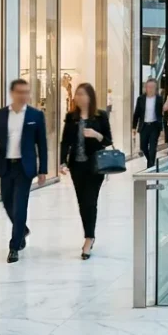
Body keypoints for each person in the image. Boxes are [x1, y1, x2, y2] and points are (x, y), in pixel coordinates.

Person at [0, 79, 48, 263]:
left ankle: (14, 246)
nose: (24, 95)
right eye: (20, 92)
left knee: (20, 206)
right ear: (12, 93)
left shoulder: (36, 115)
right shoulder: (1, 115)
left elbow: (42, 144)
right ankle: (23, 230)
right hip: (6, 166)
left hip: (24, 168)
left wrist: (43, 169)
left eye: (27, 92)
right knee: (7, 202)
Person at [60, 83, 112, 260]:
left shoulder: (100, 116)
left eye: (82, 94)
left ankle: (89, 239)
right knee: (83, 203)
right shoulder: (71, 117)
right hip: (76, 165)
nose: (79, 97)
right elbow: (65, 141)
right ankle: (89, 234)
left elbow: (107, 140)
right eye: (77, 94)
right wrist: (61, 162)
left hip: (95, 166)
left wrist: (96, 135)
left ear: (90, 96)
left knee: (90, 201)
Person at [131, 78, 164, 168]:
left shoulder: (159, 99)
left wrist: (162, 127)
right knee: (143, 147)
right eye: (148, 87)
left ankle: (150, 166)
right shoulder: (141, 99)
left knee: (153, 147)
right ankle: (151, 161)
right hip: (144, 126)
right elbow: (136, 113)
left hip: (154, 126)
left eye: (152, 87)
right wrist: (133, 127)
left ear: (155, 88)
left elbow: (162, 113)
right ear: (145, 87)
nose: (150, 89)